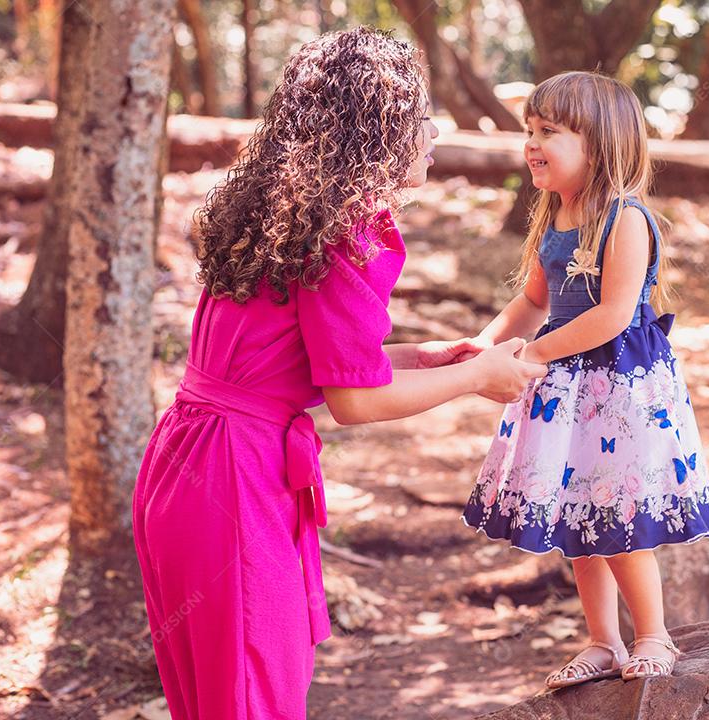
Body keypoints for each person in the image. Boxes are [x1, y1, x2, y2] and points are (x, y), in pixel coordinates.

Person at [131, 27, 547, 720]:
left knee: (219, 697)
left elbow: (312, 368)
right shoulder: (348, 233)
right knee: (250, 698)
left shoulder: (277, 213)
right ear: (375, 130)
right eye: (418, 116)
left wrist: (433, 357)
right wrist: (478, 381)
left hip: (184, 464)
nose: (434, 130)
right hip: (234, 483)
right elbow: (354, 401)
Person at [460, 71, 709, 687]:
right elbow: (532, 298)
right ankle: (603, 641)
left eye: (548, 131)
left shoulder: (624, 219)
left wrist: (535, 353)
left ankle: (653, 634)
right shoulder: (556, 210)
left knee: (619, 513)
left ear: (600, 143)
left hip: (618, 388)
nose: (531, 143)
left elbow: (610, 315)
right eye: (529, 130)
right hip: (565, 385)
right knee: (579, 515)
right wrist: (484, 345)